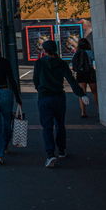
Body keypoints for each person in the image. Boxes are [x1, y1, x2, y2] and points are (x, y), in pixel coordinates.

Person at [33, 39, 88, 168]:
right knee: (60, 124)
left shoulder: (39, 63)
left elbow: (36, 80)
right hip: (59, 97)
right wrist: (81, 94)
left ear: (45, 51)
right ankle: (62, 150)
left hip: (44, 97)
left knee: (47, 127)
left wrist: (40, 89)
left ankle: (50, 154)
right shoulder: (62, 63)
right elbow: (71, 80)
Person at [71, 37, 98, 117]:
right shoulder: (90, 52)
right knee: (95, 92)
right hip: (90, 72)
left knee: (82, 94)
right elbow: (95, 61)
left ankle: (83, 112)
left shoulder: (77, 53)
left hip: (81, 74)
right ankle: (99, 109)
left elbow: (73, 63)